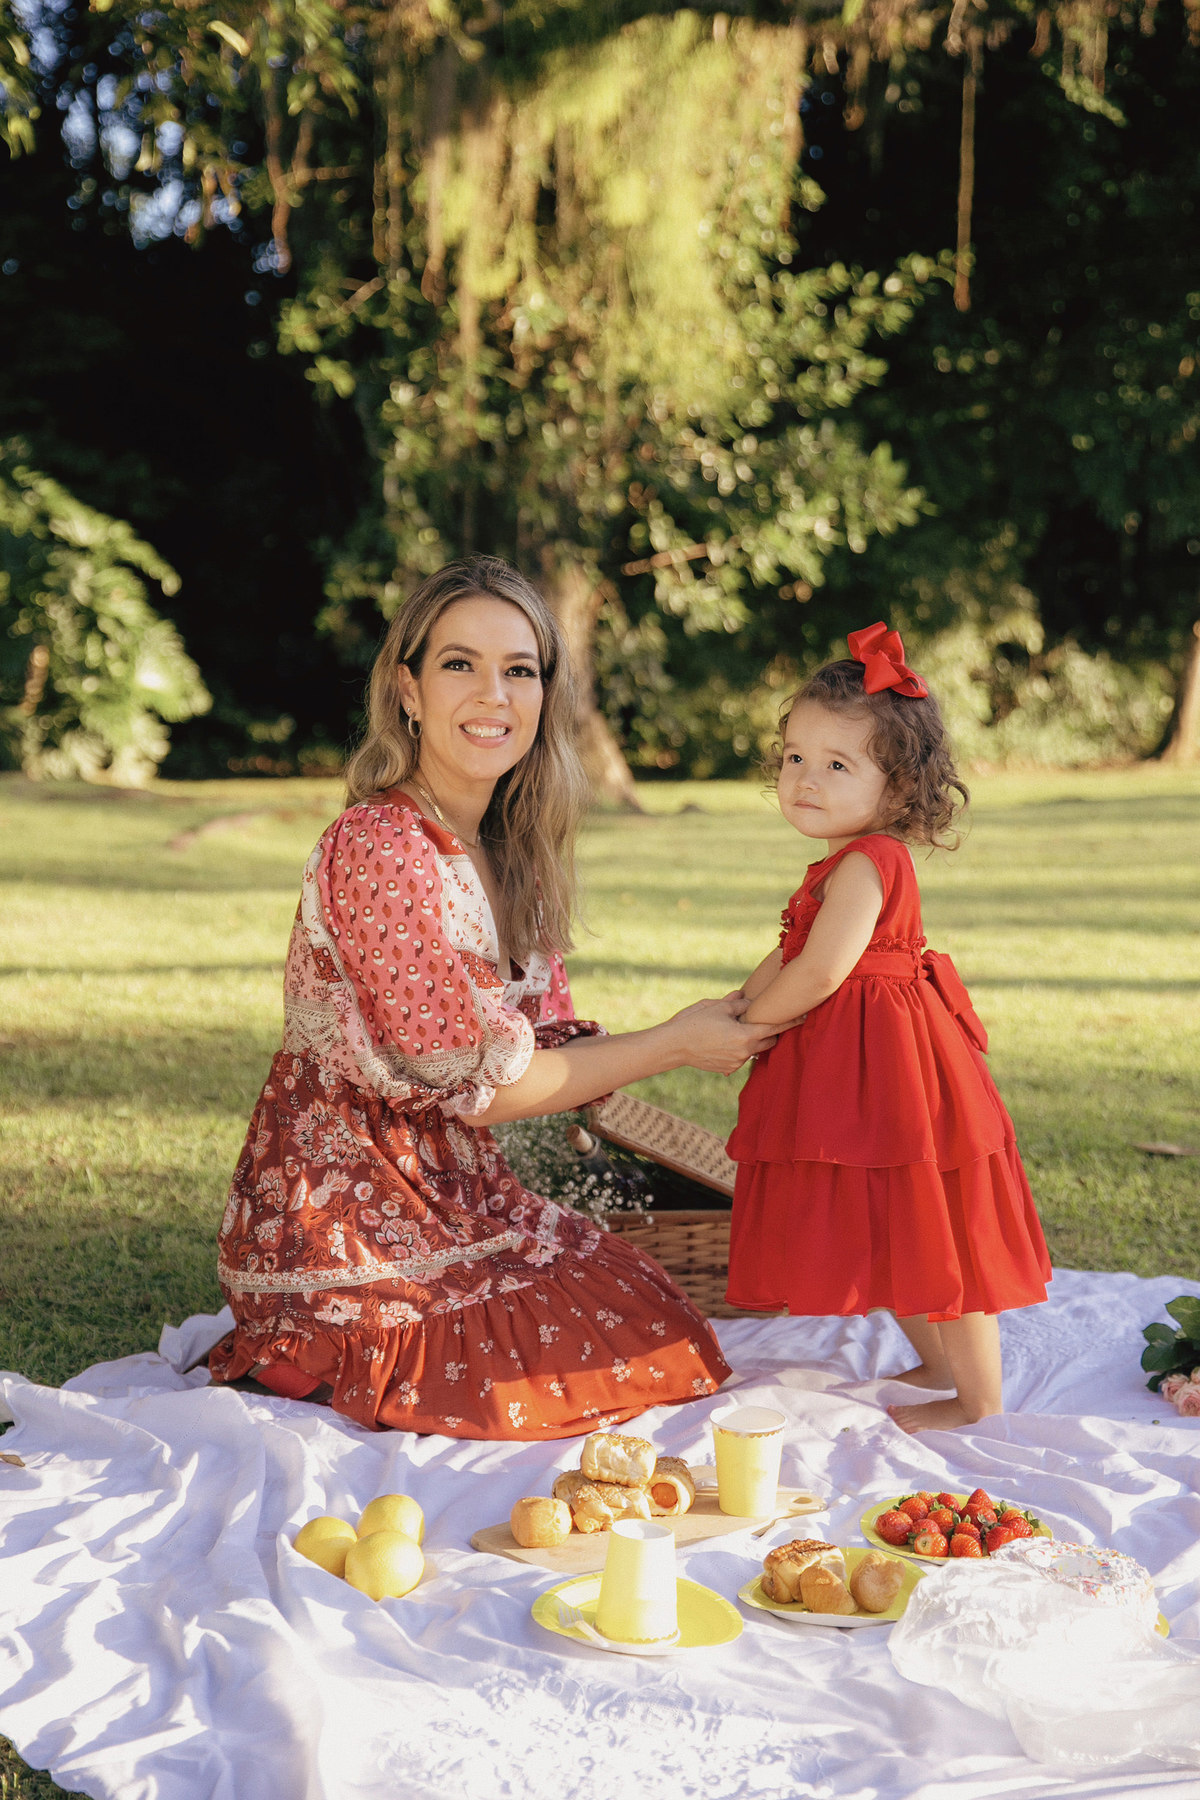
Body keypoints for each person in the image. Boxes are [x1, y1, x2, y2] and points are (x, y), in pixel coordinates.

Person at [209, 555, 773, 1439]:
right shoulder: (381, 846)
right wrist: (674, 1042)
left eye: (519, 670)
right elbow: (495, 1089)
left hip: (460, 1193)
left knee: (656, 1326)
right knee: (597, 1364)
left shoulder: (506, 850)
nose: (492, 695)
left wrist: (750, 1013)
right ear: (408, 688)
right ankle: (318, 1348)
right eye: (459, 665)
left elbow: (545, 1052)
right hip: (345, 1214)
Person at [725, 623, 1051, 1433]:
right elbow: (788, 952)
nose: (806, 778)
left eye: (838, 765)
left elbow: (820, 972)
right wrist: (734, 1004)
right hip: (860, 1067)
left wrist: (751, 1028)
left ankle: (977, 1399)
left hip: (900, 1071)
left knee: (936, 1220)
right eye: (795, 756)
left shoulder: (873, 860)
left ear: (899, 789)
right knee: (891, 1218)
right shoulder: (840, 860)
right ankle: (937, 1361)